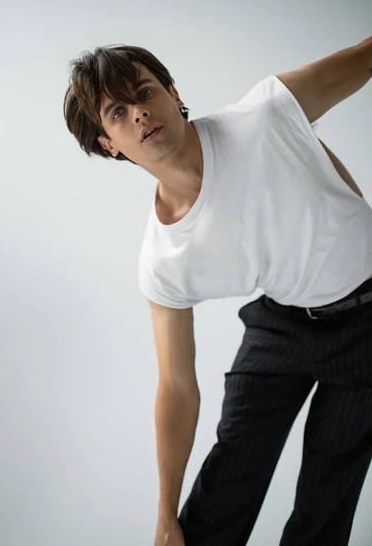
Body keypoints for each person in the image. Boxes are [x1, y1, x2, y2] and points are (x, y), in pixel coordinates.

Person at [63, 38, 372, 546]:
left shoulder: (269, 113)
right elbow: (177, 388)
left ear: (173, 93)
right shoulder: (163, 260)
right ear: (107, 143)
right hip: (283, 320)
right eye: (118, 112)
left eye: (144, 93)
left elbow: (364, 59)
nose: (139, 113)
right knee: (226, 482)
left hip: (366, 322)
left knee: (325, 502)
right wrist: (165, 516)